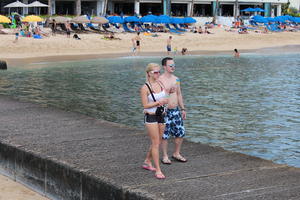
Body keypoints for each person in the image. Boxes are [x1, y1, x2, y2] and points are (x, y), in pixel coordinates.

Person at [140, 63, 169, 179]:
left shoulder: (160, 83)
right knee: (156, 143)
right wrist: (159, 102)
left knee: (158, 142)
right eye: (155, 72)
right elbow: (145, 105)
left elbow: (164, 96)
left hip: (161, 115)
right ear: (148, 73)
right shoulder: (145, 88)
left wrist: (167, 98)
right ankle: (158, 170)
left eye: (159, 72)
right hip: (151, 116)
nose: (158, 74)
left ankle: (147, 160)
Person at [159, 57, 187, 165]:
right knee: (165, 135)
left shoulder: (176, 79)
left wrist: (183, 108)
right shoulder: (160, 79)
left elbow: (179, 94)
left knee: (180, 132)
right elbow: (159, 96)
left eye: (174, 65)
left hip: (176, 110)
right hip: (165, 111)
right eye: (170, 65)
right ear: (164, 67)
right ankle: (165, 156)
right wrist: (168, 92)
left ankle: (176, 153)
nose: (173, 67)